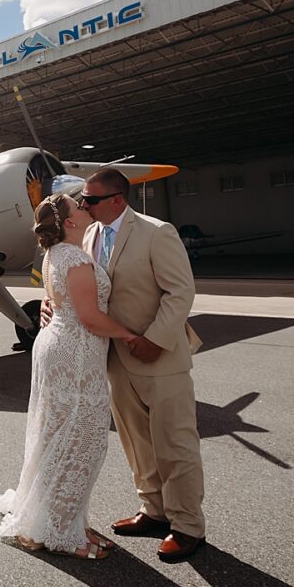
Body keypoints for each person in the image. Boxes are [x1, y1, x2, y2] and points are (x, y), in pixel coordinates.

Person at [0, 180, 144, 560]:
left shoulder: (57, 253)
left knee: (60, 439)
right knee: (82, 442)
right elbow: (91, 318)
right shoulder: (74, 259)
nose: (83, 206)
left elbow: (60, 298)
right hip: (73, 354)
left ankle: (64, 519)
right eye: (76, 206)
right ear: (69, 222)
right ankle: (62, 533)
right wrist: (128, 334)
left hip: (60, 347)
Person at [70, 167, 207, 561]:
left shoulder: (156, 231)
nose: (84, 205)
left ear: (117, 199)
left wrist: (155, 340)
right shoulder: (91, 235)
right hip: (115, 358)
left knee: (175, 444)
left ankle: (187, 526)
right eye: (83, 199)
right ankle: (154, 510)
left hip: (160, 356)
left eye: (91, 199)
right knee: (137, 442)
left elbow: (180, 292)